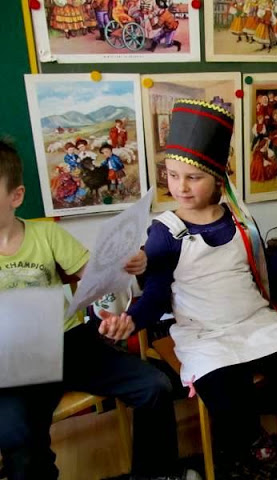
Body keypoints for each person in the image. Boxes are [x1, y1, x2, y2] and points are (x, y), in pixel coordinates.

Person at [101, 99, 277, 464]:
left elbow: (266, 273)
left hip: (256, 323)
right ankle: (245, 426)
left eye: (193, 177)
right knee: (228, 398)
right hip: (206, 336)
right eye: (172, 175)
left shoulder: (240, 221)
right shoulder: (165, 233)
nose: (181, 187)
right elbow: (156, 297)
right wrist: (131, 321)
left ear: (218, 177)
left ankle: (240, 414)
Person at [0, 139, 199, 480]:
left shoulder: (46, 235)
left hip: (68, 342)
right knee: (16, 435)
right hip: (11, 359)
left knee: (154, 385)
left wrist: (132, 264)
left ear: (16, 196)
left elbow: (98, 277)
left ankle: (155, 474)